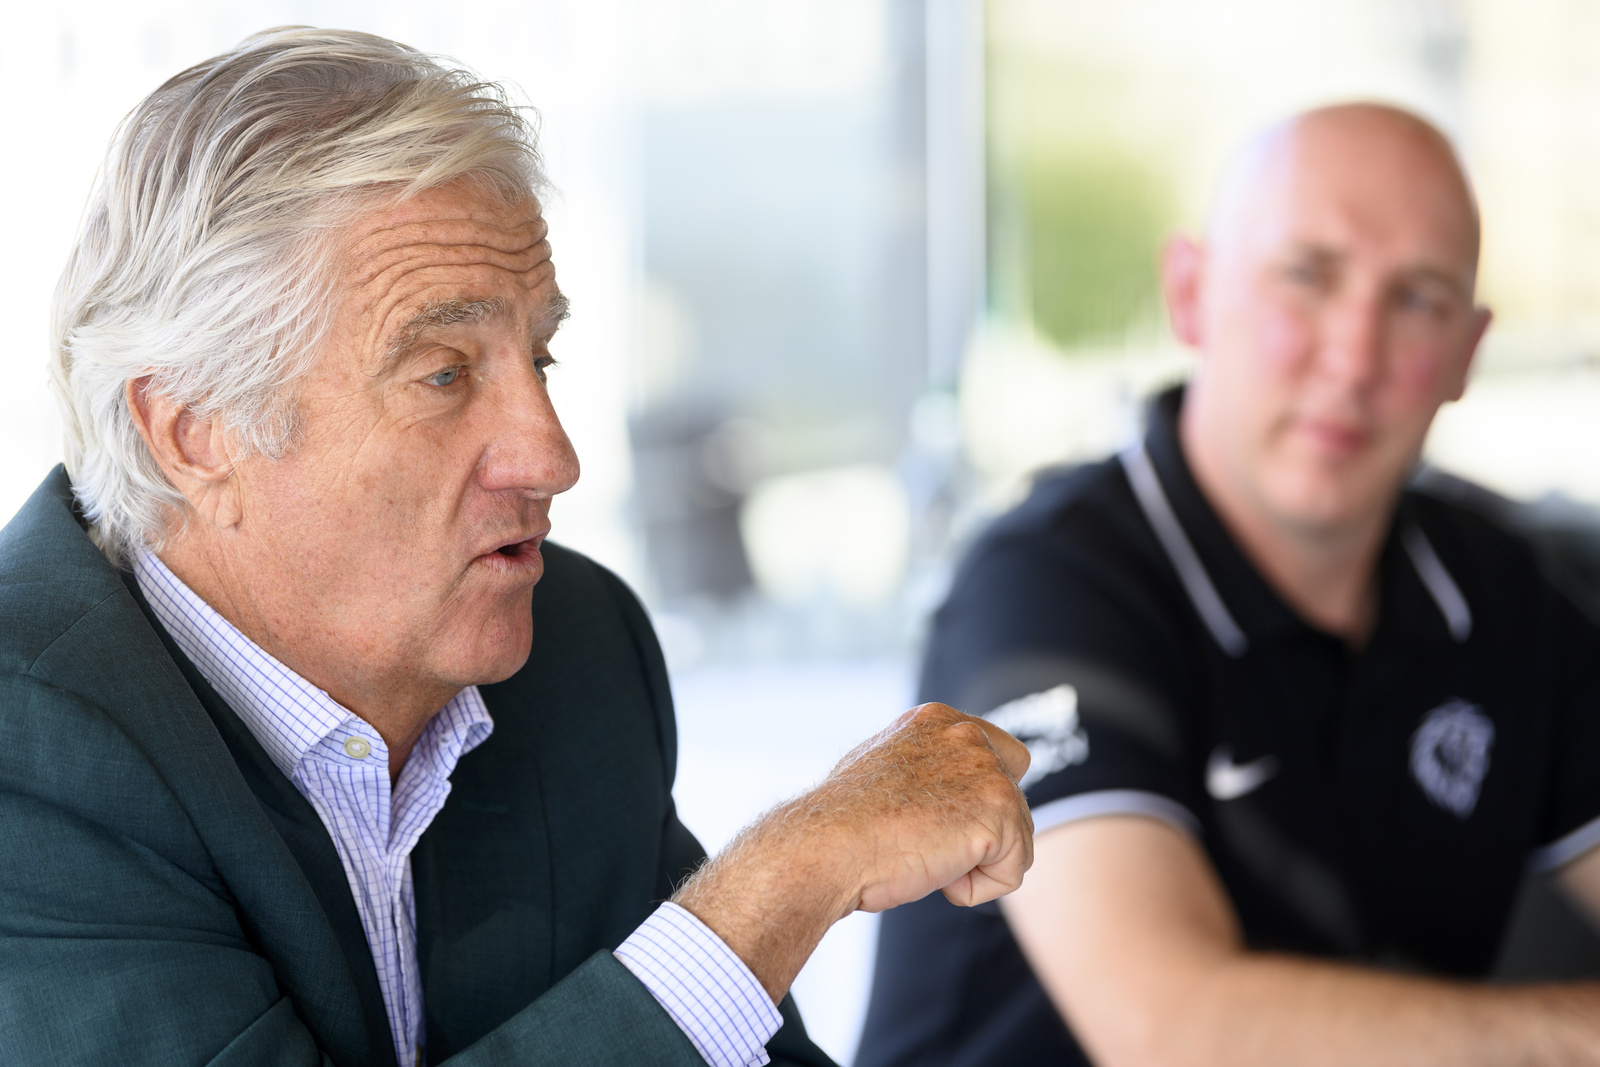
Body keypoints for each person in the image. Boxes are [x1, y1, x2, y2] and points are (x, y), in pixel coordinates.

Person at [0, 28, 1035, 1067]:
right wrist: (784, 882)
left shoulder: (574, 647)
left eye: (539, 357)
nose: (553, 456)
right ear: (195, 431)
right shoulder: (27, 749)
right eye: (444, 372)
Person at [856, 103, 1600, 1067]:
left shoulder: (1507, 596)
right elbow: (1176, 1031)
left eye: (1417, 299)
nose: (1355, 357)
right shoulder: (1044, 588)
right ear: (1190, 294)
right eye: (1307, 277)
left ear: (1468, 352)